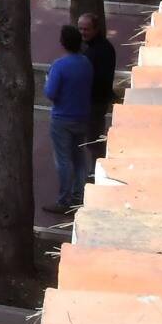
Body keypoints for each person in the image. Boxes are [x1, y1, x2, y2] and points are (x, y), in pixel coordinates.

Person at [43, 23, 95, 214]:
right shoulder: (86, 63)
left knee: (63, 160)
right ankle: (78, 197)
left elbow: (50, 93)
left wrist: (47, 81)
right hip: (82, 116)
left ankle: (64, 201)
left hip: (62, 118)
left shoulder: (59, 66)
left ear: (63, 43)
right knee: (79, 158)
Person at [78, 11, 119, 141]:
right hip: (94, 101)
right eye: (80, 29)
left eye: (86, 29)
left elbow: (100, 79)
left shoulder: (101, 50)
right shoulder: (92, 47)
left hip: (96, 102)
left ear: (96, 29)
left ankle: (96, 159)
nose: (82, 32)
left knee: (93, 139)